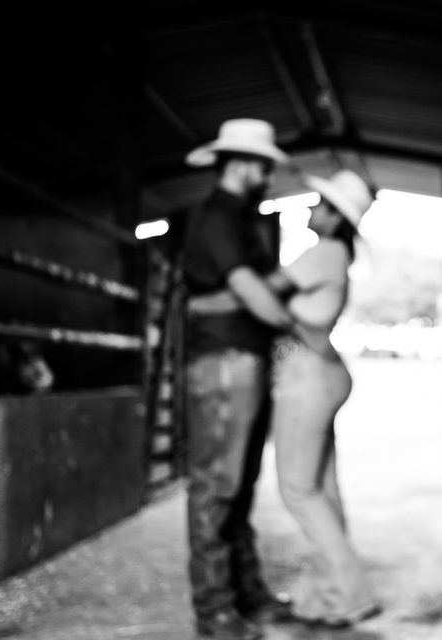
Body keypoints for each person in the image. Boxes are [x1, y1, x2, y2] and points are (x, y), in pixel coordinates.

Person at [190, 169, 382, 628]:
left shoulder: (323, 252)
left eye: (320, 204)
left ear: (336, 217)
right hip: (322, 371)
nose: (311, 208)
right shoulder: (336, 254)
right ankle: (326, 593)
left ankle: (349, 595)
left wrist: (199, 304)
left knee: (299, 491)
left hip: (308, 375)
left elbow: (258, 296)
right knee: (322, 489)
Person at [181, 118, 296, 640]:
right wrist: (289, 323)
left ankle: (245, 596)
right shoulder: (218, 216)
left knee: (240, 486)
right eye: (264, 166)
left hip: (242, 358)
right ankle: (214, 612)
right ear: (243, 164)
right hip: (224, 360)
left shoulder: (244, 218)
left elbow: (253, 287)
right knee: (216, 488)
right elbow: (251, 291)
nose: (268, 175)